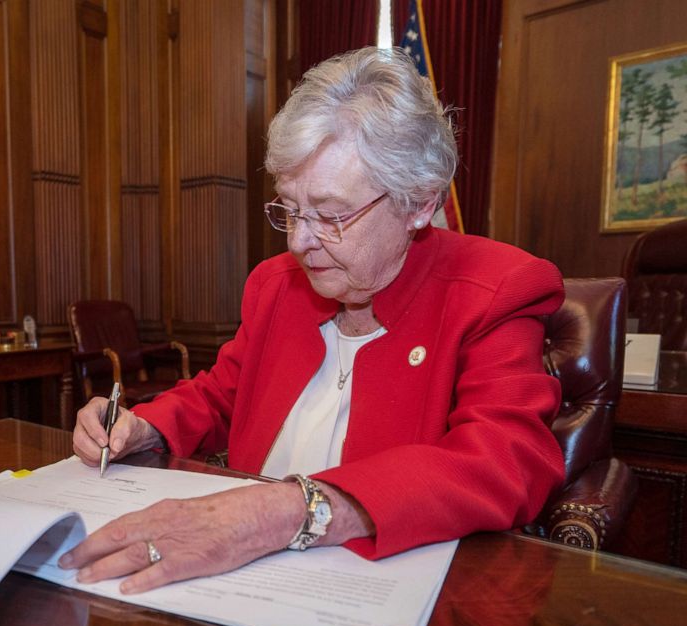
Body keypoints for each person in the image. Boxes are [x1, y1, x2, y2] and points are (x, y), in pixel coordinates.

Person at [61, 47, 565, 595]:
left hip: (389, 593)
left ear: (419, 202)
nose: (300, 241)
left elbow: (506, 462)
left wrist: (284, 510)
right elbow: (223, 394)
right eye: (290, 209)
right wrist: (144, 427)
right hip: (243, 582)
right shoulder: (276, 284)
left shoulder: (497, 290)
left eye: (330, 214)